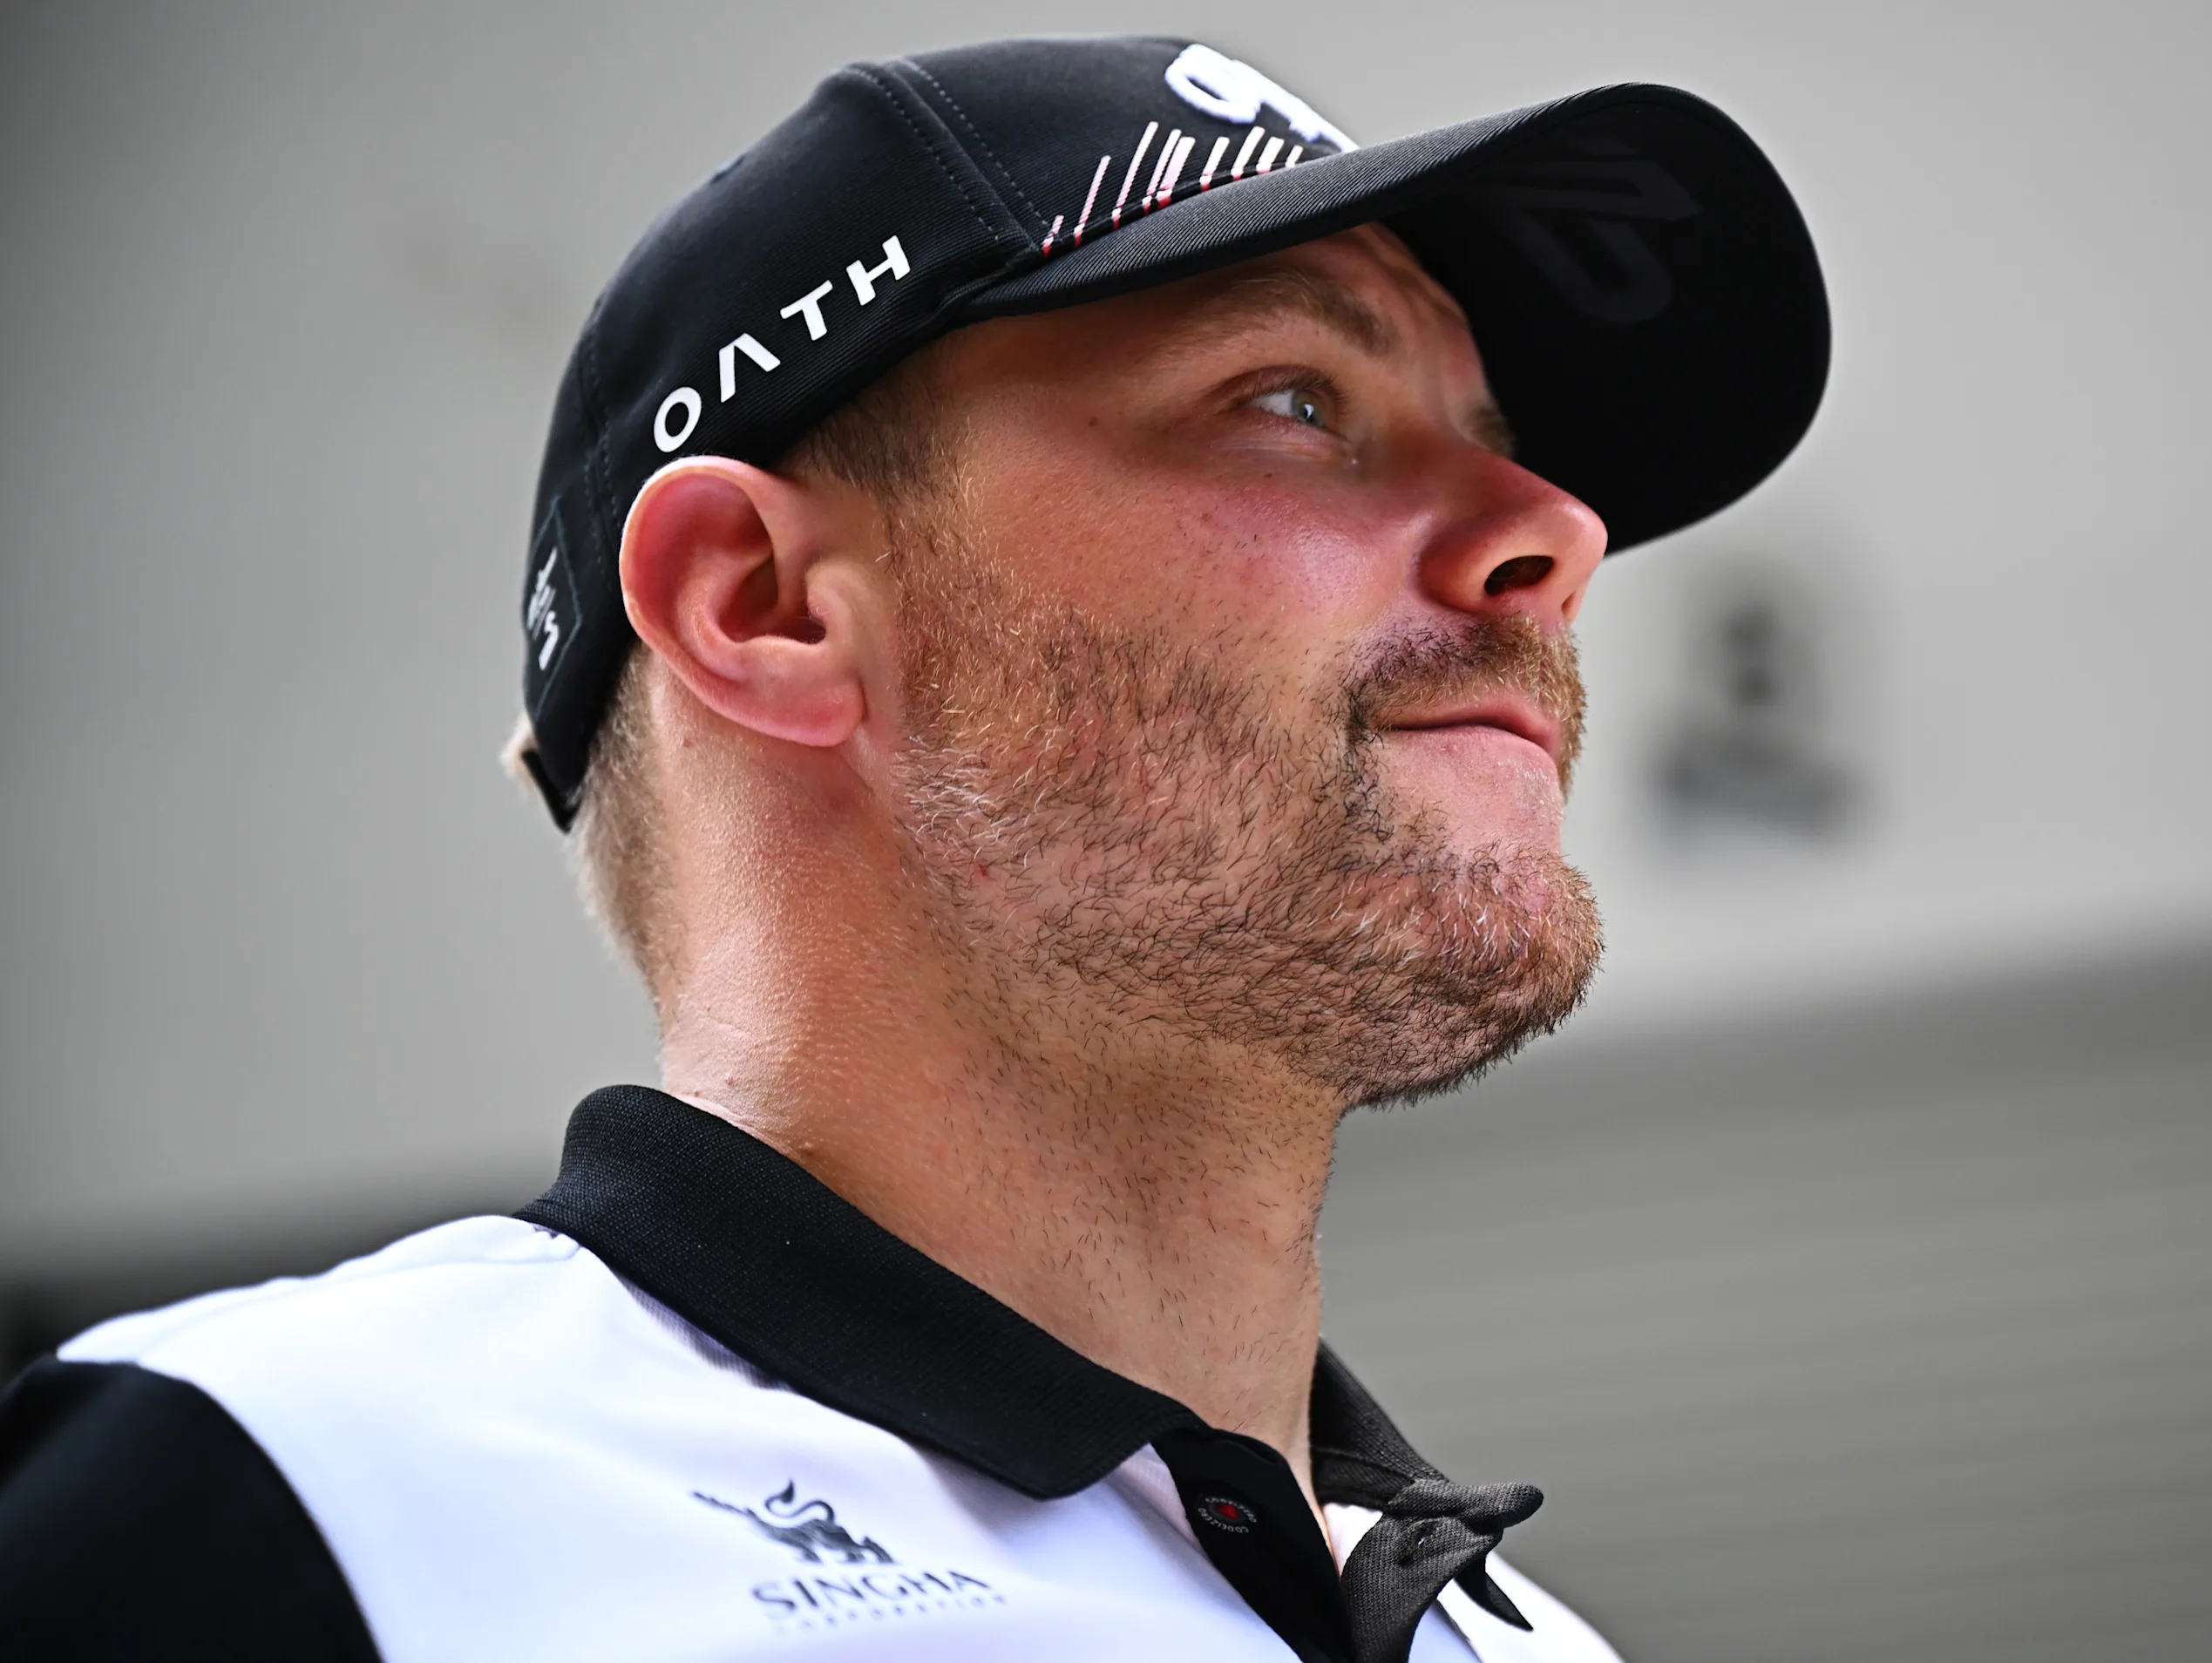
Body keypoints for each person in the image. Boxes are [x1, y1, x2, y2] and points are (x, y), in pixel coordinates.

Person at [0, 34, 1824, 1661]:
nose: (1553, 528)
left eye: (1497, 435)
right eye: (1293, 397)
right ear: (768, 604)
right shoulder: (294, 1504)